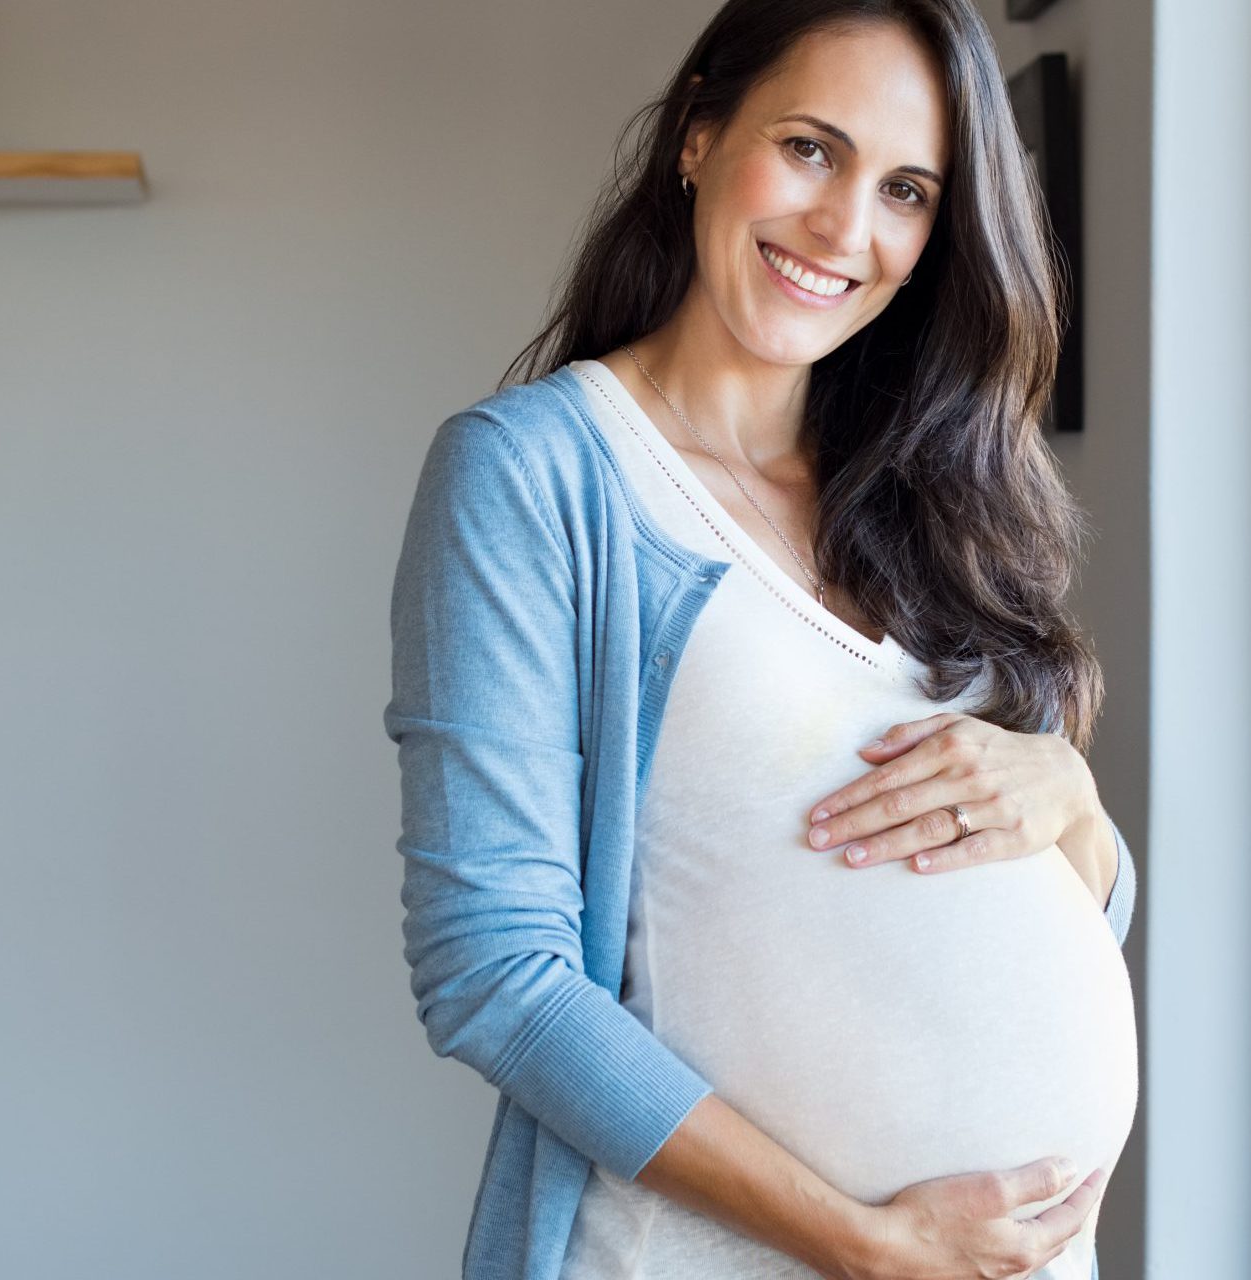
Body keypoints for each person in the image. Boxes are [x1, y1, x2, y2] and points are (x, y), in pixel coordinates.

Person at [384, 2, 1140, 1276]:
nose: (846, 228)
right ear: (696, 135)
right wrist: (863, 1242)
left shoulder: (925, 498)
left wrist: (1068, 803)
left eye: (906, 188)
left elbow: (1068, 911)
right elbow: (494, 973)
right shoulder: (538, 475)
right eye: (808, 148)